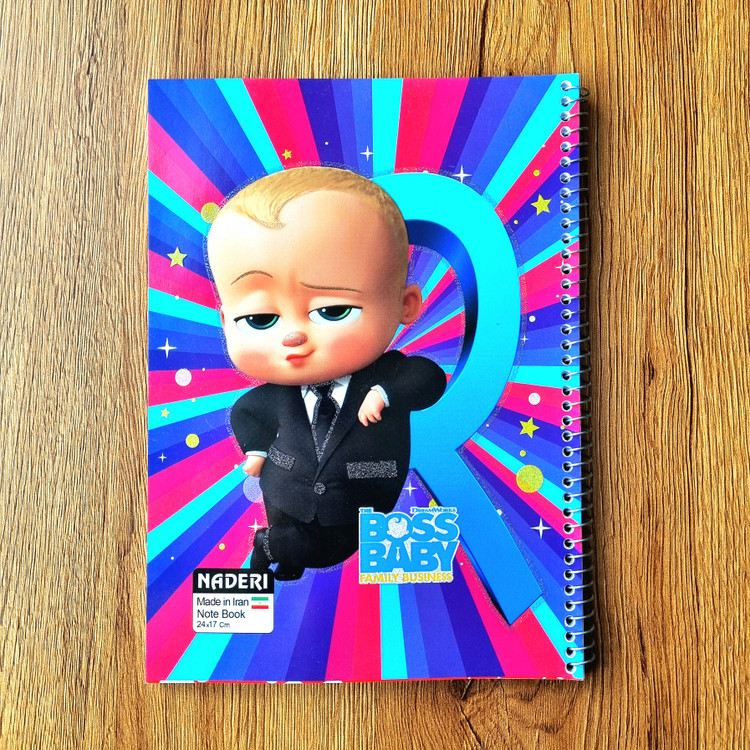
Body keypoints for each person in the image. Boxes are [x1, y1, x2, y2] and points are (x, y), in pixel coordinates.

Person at [207, 166, 446, 580]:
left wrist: (385, 393)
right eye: (261, 319)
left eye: (333, 311)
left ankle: (268, 546)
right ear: (226, 321)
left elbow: (427, 378)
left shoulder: (389, 373)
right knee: (298, 545)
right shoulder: (276, 393)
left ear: (405, 304)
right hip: (285, 491)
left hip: (358, 500)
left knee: (327, 551)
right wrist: (256, 450)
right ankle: (283, 555)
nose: (293, 335)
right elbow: (247, 411)